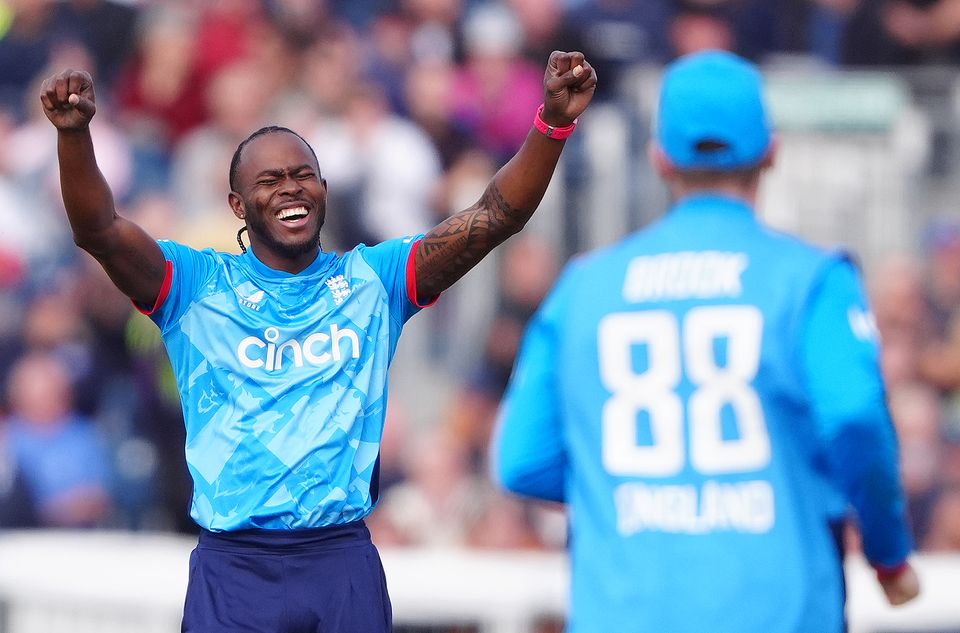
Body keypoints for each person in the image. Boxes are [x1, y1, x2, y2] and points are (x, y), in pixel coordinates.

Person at [40, 50, 596, 632]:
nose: (290, 189)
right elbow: (98, 229)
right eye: (270, 180)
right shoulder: (193, 287)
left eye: (303, 175)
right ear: (237, 204)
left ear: (325, 189)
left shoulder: (376, 280)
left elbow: (493, 216)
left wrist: (552, 125)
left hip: (340, 562)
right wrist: (74, 135)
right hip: (234, 568)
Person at [492, 50, 919, 633]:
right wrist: (888, 555)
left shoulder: (584, 288)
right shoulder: (813, 281)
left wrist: (641, 485)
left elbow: (521, 461)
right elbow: (854, 419)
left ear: (659, 158)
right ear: (772, 152)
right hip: (781, 612)